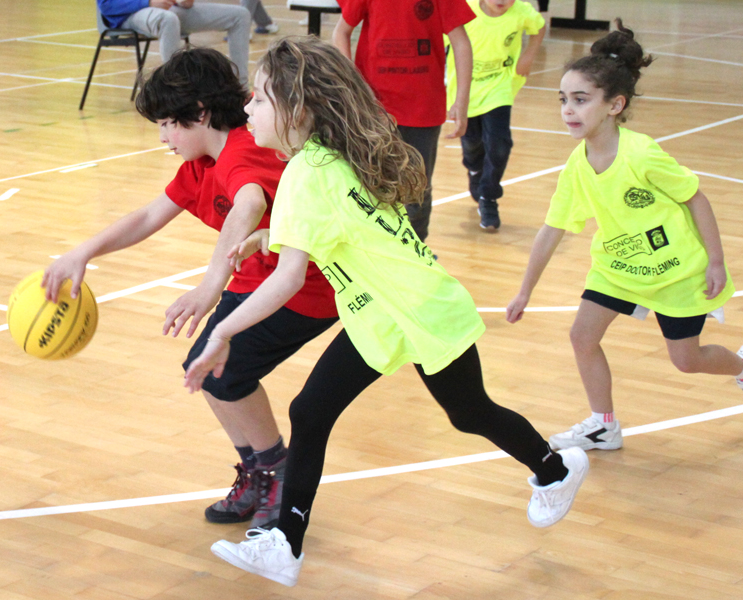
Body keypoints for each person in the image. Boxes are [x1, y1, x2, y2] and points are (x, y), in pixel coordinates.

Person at [183, 36, 589, 587]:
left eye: (259, 97)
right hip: (381, 310)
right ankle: (285, 545)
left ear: (297, 111)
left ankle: (556, 469)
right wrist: (270, 236)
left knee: (469, 412)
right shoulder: (325, 156)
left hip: (419, 308)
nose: (248, 107)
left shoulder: (306, 172)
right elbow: (341, 227)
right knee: (310, 412)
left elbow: (288, 278)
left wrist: (223, 332)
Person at [42, 48, 337, 530]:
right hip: (257, 280)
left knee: (225, 374)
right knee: (205, 368)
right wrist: (83, 252)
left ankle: (277, 474)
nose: (163, 137)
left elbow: (248, 203)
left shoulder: (243, 149)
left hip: (305, 288)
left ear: (199, 114)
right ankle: (258, 469)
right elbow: (148, 216)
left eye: (167, 125)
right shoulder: (202, 164)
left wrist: (208, 288)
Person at [506, 21, 743, 452]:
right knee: (582, 336)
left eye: (581, 99)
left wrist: (715, 260)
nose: (568, 110)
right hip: (618, 267)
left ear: (615, 105)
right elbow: (552, 228)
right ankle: (604, 425)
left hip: (675, 272)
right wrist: (525, 291)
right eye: (563, 99)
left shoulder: (642, 153)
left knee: (687, 360)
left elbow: (696, 198)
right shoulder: (577, 165)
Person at [332, 0, 475, 243]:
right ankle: (373, 250)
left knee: (417, 189)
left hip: (423, 110)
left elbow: (461, 42)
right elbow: (340, 33)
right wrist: (355, 88)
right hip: (374, 110)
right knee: (370, 184)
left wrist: (461, 101)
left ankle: (416, 250)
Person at [445, 0, 545, 231]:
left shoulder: (521, 12)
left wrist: (529, 55)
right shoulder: (463, 9)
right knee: (472, 144)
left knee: (500, 144)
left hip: (500, 87)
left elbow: (539, 27)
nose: (502, 1)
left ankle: (488, 196)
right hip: (465, 91)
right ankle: (474, 169)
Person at [96, 0, 251, 85]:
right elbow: (106, 5)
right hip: (129, 14)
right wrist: (148, 2)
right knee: (168, 20)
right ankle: (176, 89)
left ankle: (240, 90)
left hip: (169, 9)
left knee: (240, 15)